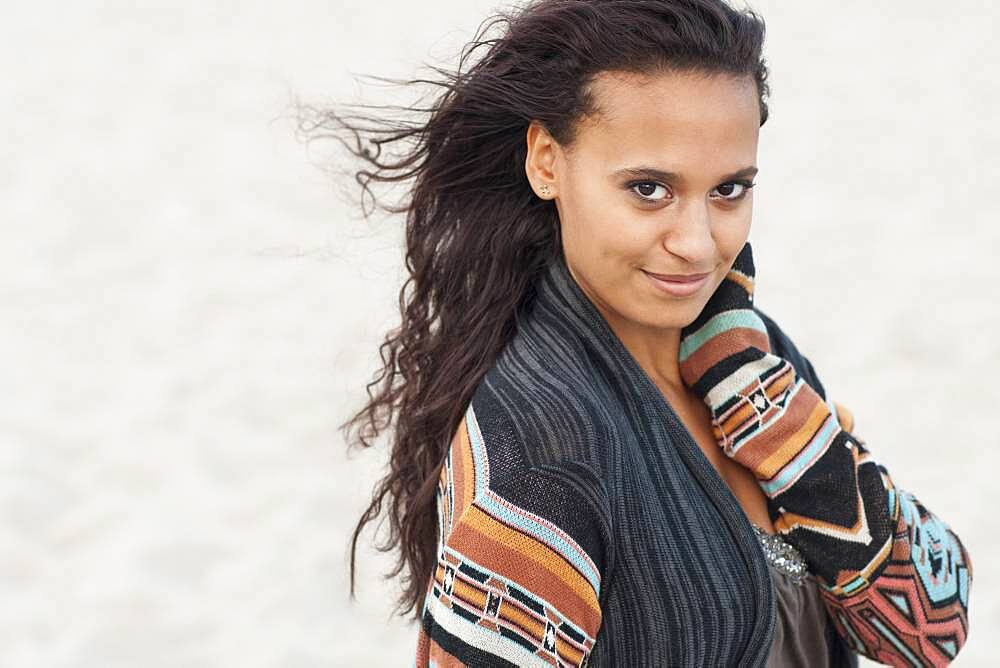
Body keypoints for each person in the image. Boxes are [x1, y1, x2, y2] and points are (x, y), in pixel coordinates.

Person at [326, 0, 974, 664]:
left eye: (728, 190)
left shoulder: (751, 356)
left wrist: (786, 431)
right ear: (547, 162)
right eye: (648, 189)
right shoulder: (546, 453)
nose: (697, 245)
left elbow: (930, 628)